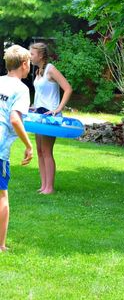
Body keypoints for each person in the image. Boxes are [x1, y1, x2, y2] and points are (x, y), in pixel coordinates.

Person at [0, 45, 33, 252]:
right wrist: (29, 145)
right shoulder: (21, 89)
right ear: (24, 64)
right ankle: (1, 245)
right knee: (2, 195)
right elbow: (15, 119)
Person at [29, 42, 72, 195]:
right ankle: (43, 186)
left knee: (47, 151)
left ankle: (50, 188)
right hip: (39, 114)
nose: (30, 56)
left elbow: (68, 88)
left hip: (50, 116)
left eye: (32, 54)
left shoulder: (51, 69)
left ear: (40, 55)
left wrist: (58, 109)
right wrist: (34, 106)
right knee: (40, 151)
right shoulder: (38, 72)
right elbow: (42, 94)